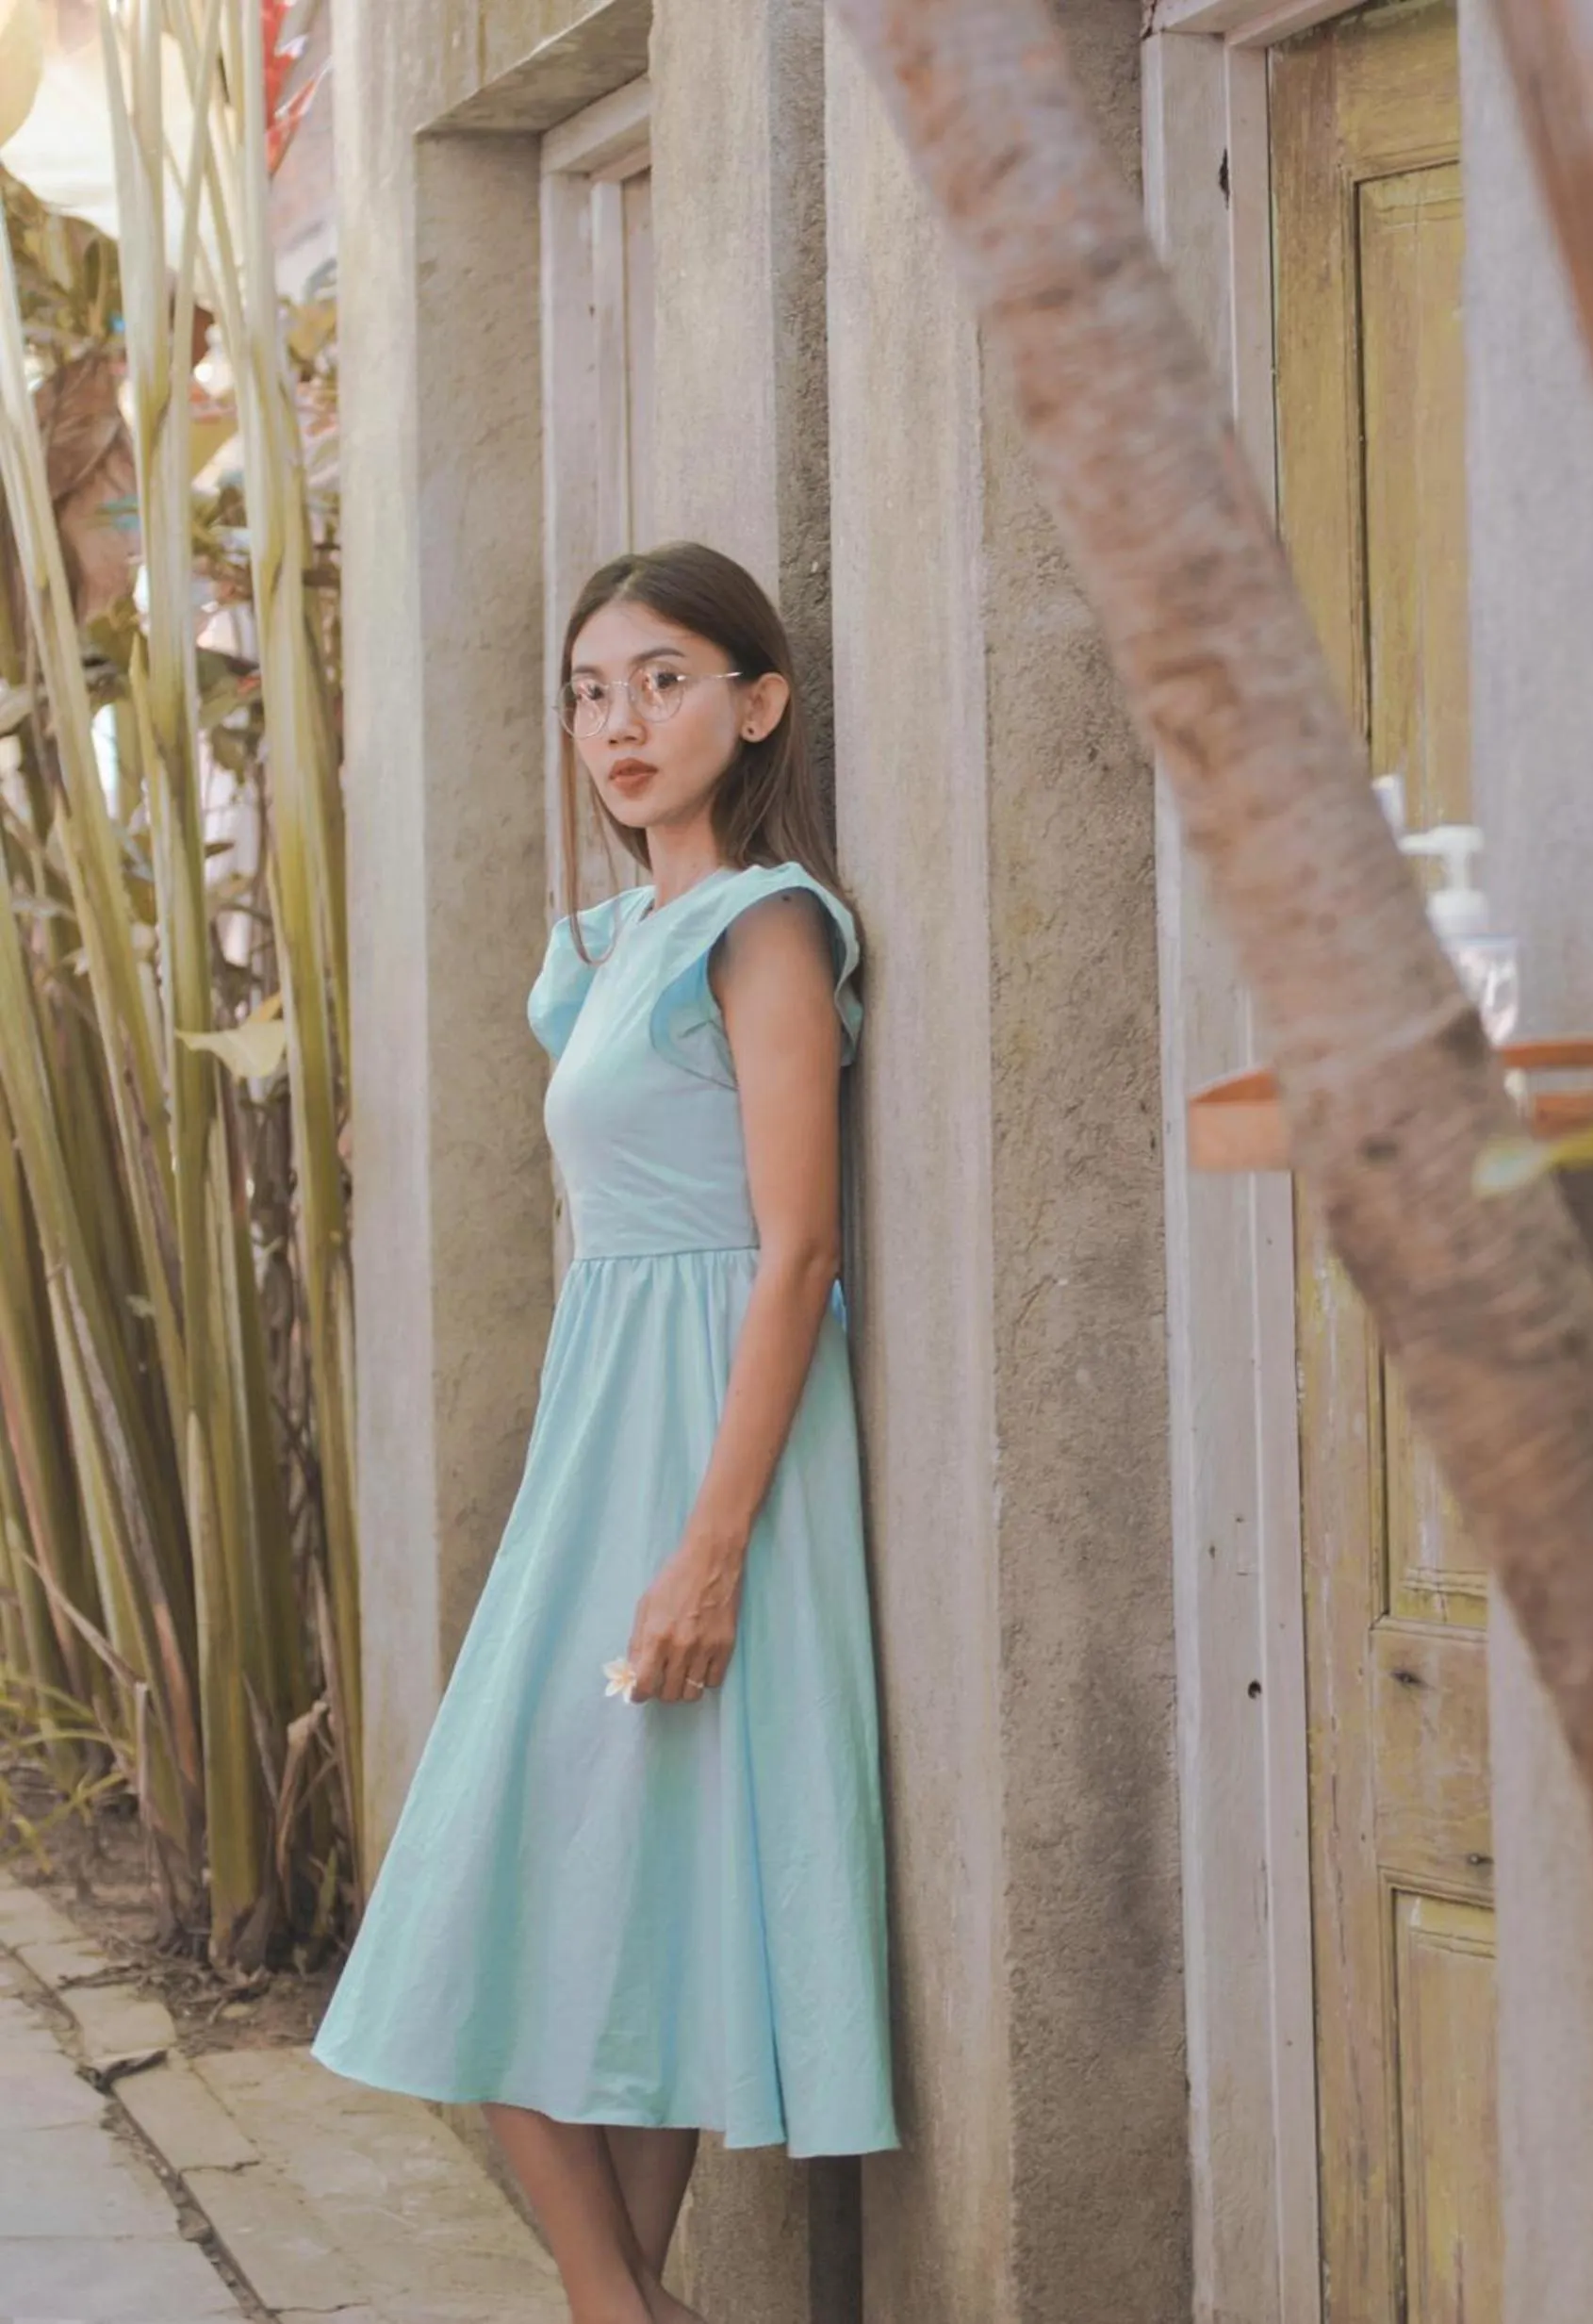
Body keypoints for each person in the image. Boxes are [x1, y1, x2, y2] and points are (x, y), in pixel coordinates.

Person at [310, 541, 897, 2324]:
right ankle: (627, 2302)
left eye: (663, 680)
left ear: (756, 702)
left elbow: (796, 1246)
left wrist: (714, 1545)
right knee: (552, 1893)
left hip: (713, 1441)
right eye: (590, 689)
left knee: (530, 1883)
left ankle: (606, 2308)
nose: (621, 723)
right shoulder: (608, 942)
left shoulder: (766, 924)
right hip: (604, 1425)